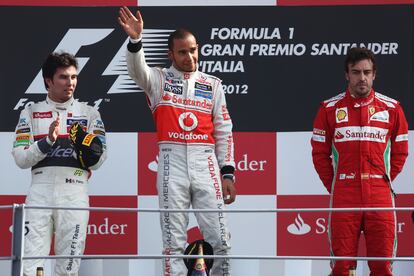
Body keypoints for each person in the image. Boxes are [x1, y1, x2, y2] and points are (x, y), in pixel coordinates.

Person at [118, 6, 236, 276]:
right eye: (182, 52)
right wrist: (136, 41)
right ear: (170, 54)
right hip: (171, 160)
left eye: (193, 50)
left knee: (221, 239)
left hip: (205, 160)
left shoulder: (213, 84)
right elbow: (137, 71)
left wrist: (227, 171)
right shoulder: (158, 80)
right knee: (173, 242)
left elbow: (224, 131)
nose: (189, 56)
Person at [311, 47, 408, 276]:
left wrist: (383, 180)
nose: (362, 78)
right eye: (356, 72)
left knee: (382, 265)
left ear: (374, 74)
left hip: (379, 193)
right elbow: (319, 154)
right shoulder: (329, 108)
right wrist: (337, 185)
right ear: (347, 75)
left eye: (367, 72)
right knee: (342, 267)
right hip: (345, 192)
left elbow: (401, 152)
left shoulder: (392, 108)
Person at [12, 52, 107, 276]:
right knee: (29, 266)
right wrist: (47, 142)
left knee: (68, 268)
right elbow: (20, 159)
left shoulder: (90, 113)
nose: (70, 83)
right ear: (48, 81)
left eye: (74, 77)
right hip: (40, 192)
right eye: (64, 77)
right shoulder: (31, 112)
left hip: (74, 192)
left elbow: (100, 160)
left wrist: (87, 149)